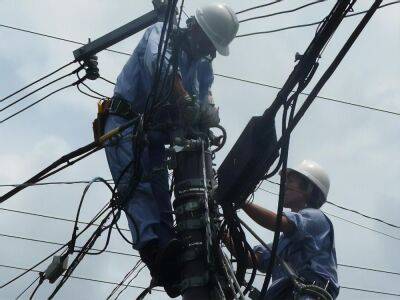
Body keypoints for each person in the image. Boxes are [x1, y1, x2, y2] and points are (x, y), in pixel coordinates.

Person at [103, 3, 239, 294]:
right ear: (194, 29)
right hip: (124, 124)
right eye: (207, 43)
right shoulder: (161, 35)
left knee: (161, 194)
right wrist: (185, 100)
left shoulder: (202, 62)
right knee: (136, 188)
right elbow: (162, 69)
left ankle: (171, 259)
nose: (209, 51)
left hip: (153, 133)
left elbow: (205, 95)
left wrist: (207, 111)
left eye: (213, 47)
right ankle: (154, 252)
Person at [242, 160, 339, 299]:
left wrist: (241, 201)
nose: (284, 186)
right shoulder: (283, 243)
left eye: (291, 182)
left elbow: (278, 223)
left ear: (308, 188)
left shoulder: (315, 218)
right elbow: (251, 258)